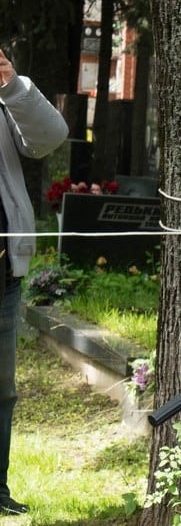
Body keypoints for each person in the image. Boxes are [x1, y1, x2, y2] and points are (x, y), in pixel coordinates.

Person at [0, 48, 69, 515]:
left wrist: (12, 85)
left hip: (2, 269)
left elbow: (50, 137)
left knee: (1, 388)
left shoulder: (6, 97)